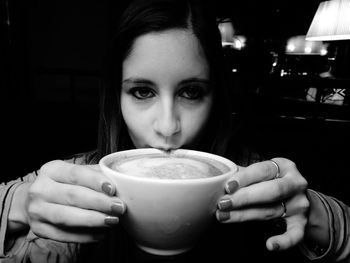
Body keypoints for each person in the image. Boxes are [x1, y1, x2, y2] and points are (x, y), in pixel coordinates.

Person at [1, 0, 349, 262]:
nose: (167, 128)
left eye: (191, 92)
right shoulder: (78, 183)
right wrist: (19, 205)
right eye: (142, 92)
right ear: (116, 98)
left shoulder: (251, 183)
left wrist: (317, 214)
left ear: (215, 97)